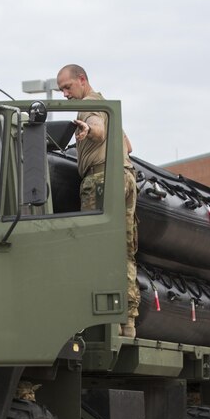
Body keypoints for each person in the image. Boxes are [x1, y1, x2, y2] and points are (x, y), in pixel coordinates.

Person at [56, 64, 139, 338]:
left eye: (67, 87)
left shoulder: (88, 105)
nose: (65, 94)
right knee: (124, 250)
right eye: (61, 90)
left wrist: (88, 132)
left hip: (102, 178)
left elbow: (99, 130)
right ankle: (128, 322)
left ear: (82, 80)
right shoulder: (106, 104)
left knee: (93, 248)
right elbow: (128, 146)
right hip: (125, 176)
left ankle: (102, 320)